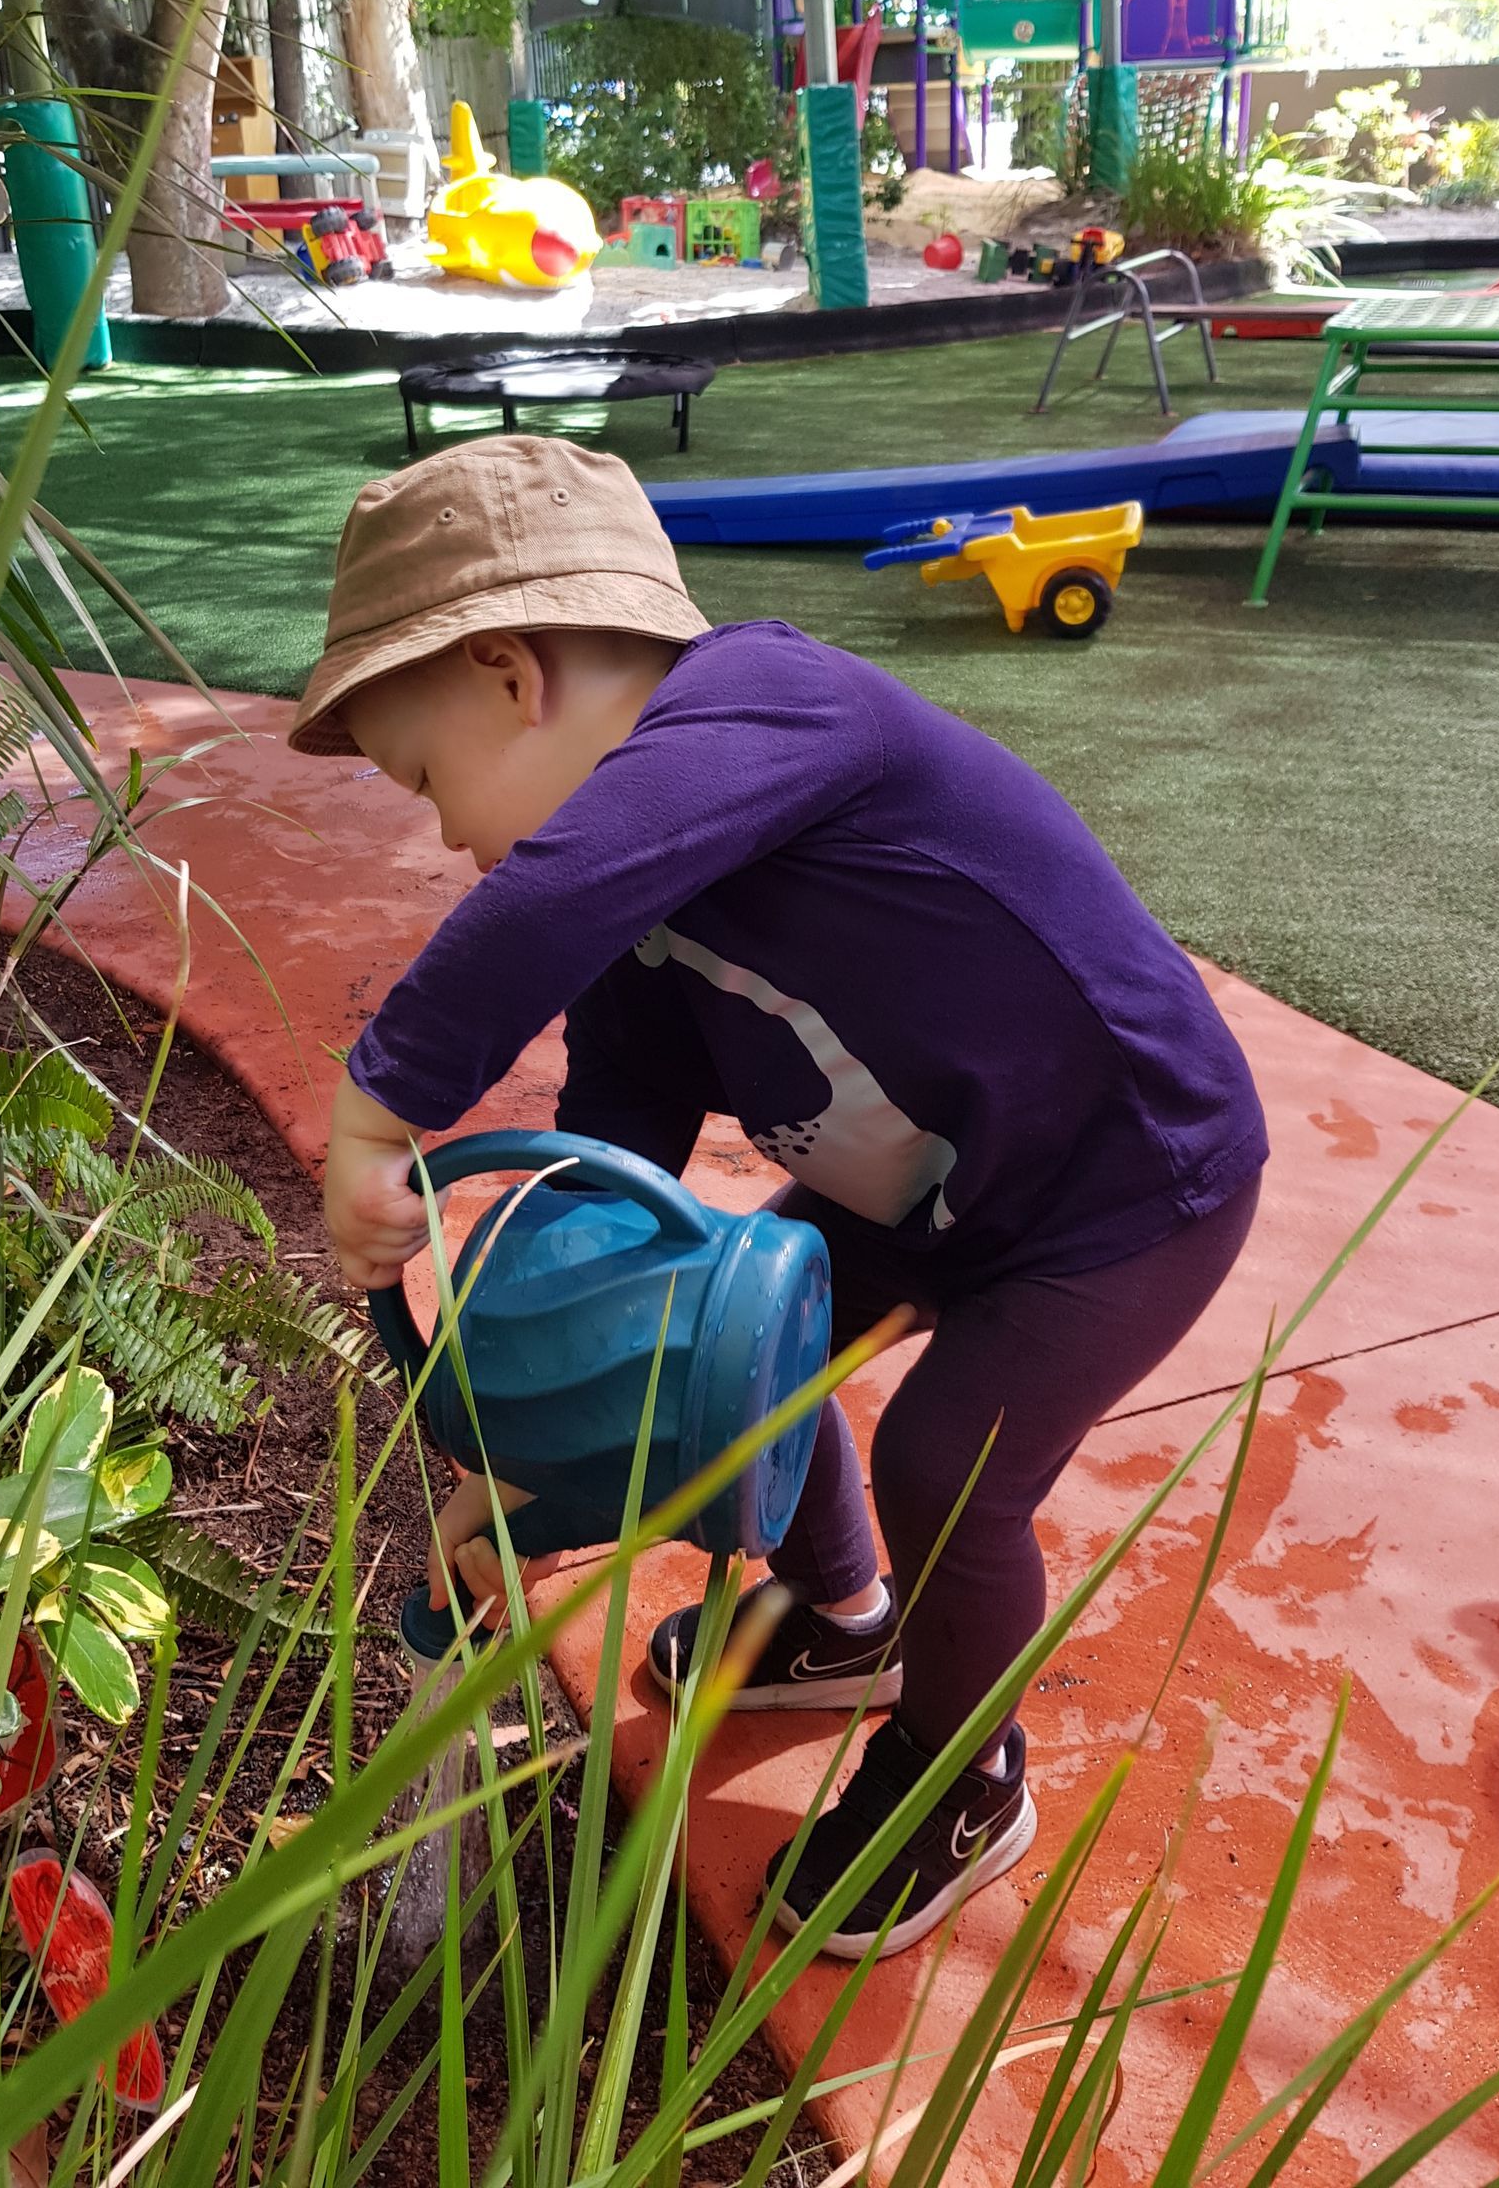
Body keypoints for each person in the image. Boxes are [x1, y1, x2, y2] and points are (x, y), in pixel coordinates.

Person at [304, 436, 1266, 1962]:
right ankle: (840, 1622)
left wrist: (382, 1109)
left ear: (509, 673)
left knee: (953, 1462)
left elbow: (539, 897)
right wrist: (525, 1455)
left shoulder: (777, 705)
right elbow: (609, 1171)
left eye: (430, 783)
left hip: (1121, 1183)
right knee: (725, 1331)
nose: (450, 839)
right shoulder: (645, 915)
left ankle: (963, 1777)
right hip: (917, 1192)